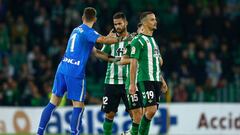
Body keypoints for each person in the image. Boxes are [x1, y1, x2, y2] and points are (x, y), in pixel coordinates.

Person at [37, 7, 123, 135]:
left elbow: (97, 52)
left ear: (83, 18)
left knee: (53, 102)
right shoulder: (89, 32)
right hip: (75, 72)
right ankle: (74, 133)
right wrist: (120, 38)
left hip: (62, 68)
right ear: (95, 19)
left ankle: (39, 133)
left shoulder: (76, 30)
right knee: (78, 105)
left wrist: (117, 60)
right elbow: (104, 40)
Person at [129, 11, 167, 135]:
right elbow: (133, 62)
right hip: (145, 79)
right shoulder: (138, 41)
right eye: (152, 19)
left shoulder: (153, 41)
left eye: (155, 19)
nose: (155, 21)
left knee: (151, 112)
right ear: (144, 23)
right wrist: (132, 84)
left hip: (156, 79)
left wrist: (162, 80)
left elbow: (157, 62)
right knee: (151, 110)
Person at [97, 12, 132, 135]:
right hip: (111, 81)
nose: (117, 26)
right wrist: (105, 41)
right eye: (115, 24)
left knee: (135, 113)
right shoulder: (111, 40)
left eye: (120, 23)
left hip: (129, 82)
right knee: (109, 113)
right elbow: (101, 55)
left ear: (126, 23)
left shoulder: (133, 39)